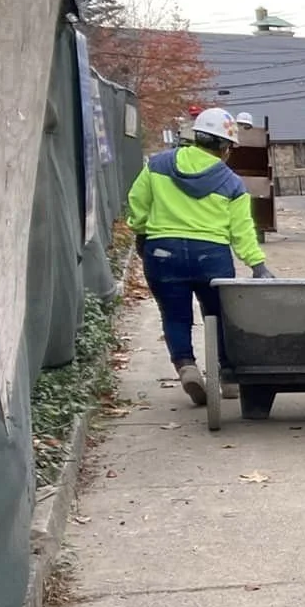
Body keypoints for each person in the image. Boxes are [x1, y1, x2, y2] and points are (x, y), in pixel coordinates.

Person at [126, 106, 274, 406]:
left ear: (196, 137)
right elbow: (242, 231)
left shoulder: (157, 165)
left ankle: (186, 367)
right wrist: (258, 265)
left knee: (175, 315)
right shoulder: (232, 183)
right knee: (220, 316)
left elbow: (137, 202)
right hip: (211, 256)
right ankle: (227, 375)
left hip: (163, 252)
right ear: (226, 148)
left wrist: (142, 232)